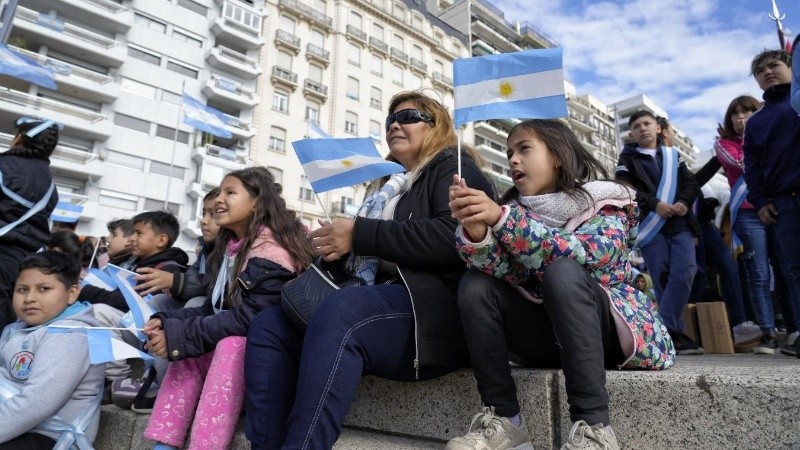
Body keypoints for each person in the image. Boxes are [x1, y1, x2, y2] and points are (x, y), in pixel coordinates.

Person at [243, 91, 495, 449]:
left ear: (436, 126)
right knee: (270, 324)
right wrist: (334, 245)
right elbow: (369, 254)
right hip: (375, 301)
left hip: (432, 313)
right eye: (391, 118)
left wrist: (359, 234)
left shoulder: (453, 166)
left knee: (342, 312)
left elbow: (453, 238)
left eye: (408, 116)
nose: (395, 123)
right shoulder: (385, 184)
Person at [446, 119, 674, 450]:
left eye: (524, 149)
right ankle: (506, 423)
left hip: (605, 334)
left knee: (562, 271)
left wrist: (501, 220)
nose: (512, 160)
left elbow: (584, 254)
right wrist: (480, 234)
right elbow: (515, 275)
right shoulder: (512, 212)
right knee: (476, 285)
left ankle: (595, 429)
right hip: (548, 335)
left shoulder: (608, 201)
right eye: (509, 152)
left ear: (558, 155)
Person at [142, 168, 312, 450]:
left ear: (257, 201)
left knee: (230, 344)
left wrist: (179, 335)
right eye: (219, 192)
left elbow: (250, 319)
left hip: (275, 361)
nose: (219, 199)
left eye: (230, 192)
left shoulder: (272, 251)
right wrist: (165, 320)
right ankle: (163, 445)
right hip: (241, 352)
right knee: (187, 348)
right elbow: (213, 309)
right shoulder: (232, 248)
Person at [615, 110, 702, 354]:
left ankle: (663, 329)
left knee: (686, 271)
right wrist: (655, 204)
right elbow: (625, 190)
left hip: (681, 224)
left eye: (647, 123)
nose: (642, 128)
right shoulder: (627, 159)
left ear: (658, 128)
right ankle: (674, 337)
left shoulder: (673, 155)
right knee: (662, 278)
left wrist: (684, 201)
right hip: (651, 226)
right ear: (631, 133)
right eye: (637, 125)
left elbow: (690, 183)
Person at [0, 251, 105, 449]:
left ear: (72, 293)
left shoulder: (70, 335)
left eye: (43, 289)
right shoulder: (17, 328)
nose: (29, 298)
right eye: (22, 289)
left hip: (49, 437)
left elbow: (36, 403)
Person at [742, 49, 800, 358]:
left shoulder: (797, 105)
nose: (767, 72)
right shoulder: (756, 122)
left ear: (791, 66)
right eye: (760, 70)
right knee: (794, 269)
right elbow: (752, 167)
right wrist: (760, 200)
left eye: (774, 65)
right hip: (782, 201)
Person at [714, 95, 782, 352]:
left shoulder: (772, 137)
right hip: (747, 211)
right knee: (759, 274)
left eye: (748, 112)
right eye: (736, 114)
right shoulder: (725, 144)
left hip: (778, 206)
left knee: (787, 270)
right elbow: (741, 163)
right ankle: (767, 332)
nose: (741, 118)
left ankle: (793, 327)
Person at [0, 117, 61, 329]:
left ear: (19, 139)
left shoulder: (4, 166)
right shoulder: (50, 182)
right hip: (26, 262)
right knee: (9, 318)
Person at [136, 188, 222, 311]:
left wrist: (175, 282)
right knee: (160, 300)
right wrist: (175, 287)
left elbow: (212, 285)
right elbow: (194, 276)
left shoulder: (230, 251)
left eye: (213, 214)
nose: (204, 221)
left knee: (196, 303)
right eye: (204, 214)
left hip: (214, 313)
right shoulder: (205, 250)